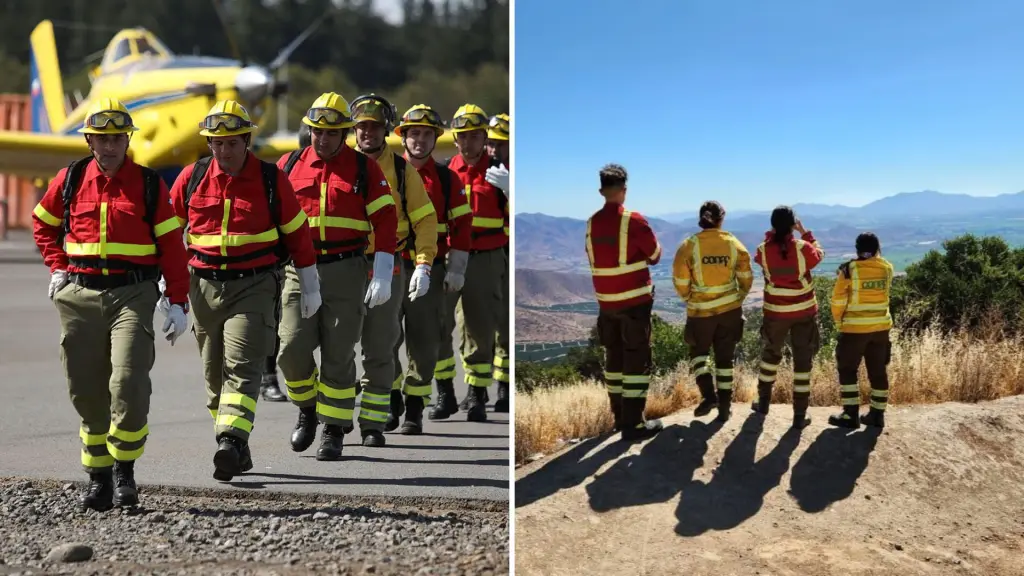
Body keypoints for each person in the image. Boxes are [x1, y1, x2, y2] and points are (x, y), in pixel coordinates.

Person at [32, 98, 191, 511]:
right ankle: (98, 476)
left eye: (117, 138)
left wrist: (178, 301)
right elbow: (43, 223)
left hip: (132, 295)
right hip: (79, 295)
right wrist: (57, 266)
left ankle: (125, 472)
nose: (109, 146)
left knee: (128, 381)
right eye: (101, 138)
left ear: (127, 140)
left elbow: (172, 246)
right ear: (89, 141)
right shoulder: (70, 179)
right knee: (85, 389)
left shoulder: (149, 184)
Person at [169, 99, 320, 481]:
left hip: (254, 286)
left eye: (232, 143)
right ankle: (236, 444)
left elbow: (298, 233)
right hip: (203, 288)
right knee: (213, 377)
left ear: (247, 141)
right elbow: (168, 235)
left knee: (242, 365)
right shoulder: (191, 177)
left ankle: (231, 440)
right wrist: (168, 289)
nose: (224, 151)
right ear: (208, 144)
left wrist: (309, 284)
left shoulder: (271, 179)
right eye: (217, 143)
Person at [276, 92, 399, 458]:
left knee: (339, 351)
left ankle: (333, 429)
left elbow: (386, 219)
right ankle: (307, 409)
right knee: (291, 347)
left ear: (344, 133)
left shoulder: (364, 168)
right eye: (318, 131)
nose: (324, 139)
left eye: (332, 133)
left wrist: (383, 273)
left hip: (347, 269)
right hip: (299, 269)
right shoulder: (288, 165)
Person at [349, 93, 438, 438]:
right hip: (343, 265)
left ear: (386, 129)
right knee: (340, 344)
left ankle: (381, 417)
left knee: (382, 342)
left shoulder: (402, 171)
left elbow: (425, 219)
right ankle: (336, 416)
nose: (367, 132)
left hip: (389, 263)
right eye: (362, 126)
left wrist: (424, 264)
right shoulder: (340, 164)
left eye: (374, 126)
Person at [389, 104, 473, 433]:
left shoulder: (447, 178)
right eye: (414, 133)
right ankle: (391, 399)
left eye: (426, 134)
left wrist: (457, 269)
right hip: (390, 265)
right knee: (385, 337)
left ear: (436, 139)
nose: (420, 140)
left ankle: (414, 408)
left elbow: (462, 226)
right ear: (403, 137)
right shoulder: (387, 173)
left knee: (425, 341)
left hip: (430, 267)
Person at [585, 163, 663, 441]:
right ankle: (634, 424)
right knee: (636, 361)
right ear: (624, 190)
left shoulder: (592, 222)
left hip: (606, 304)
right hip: (634, 303)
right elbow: (655, 255)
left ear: (601, 191)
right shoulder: (634, 220)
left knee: (614, 359)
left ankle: (619, 418)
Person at [443, 103, 509, 422]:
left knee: (480, 328)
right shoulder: (445, 173)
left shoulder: (498, 173)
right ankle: (445, 391)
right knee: (443, 324)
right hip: (449, 256)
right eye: (463, 136)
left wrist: (511, 190)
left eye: (475, 136)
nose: (468, 143)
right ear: (455, 138)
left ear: (484, 138)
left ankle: (476, 393)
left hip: (485, 257)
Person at [672, 201, 753, 423]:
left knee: (699, 355)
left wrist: (689, 298)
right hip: (730, 312)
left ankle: (709, 396)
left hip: (700, 314)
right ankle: (725, 409)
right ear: (721, 219)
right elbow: (746, 278)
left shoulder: (688, 246)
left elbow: (680, 280)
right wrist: (738, 298)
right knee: (725, 360)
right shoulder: (733, 243)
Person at [752, 206, 825, 429]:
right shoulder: (803, 248)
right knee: (803, 361)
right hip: (804, 312)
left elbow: (761, 256)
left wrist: (772, 235)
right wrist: (805, 232)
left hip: (775, 313)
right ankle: (799, 415)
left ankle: (763, 402)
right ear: (793, 224)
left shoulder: (763, 250)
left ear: (773, 225)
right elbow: (819, 255)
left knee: (770, 356)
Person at [828, 232, 894, 429]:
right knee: (878, 371)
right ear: (877, 248)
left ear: (857, 249)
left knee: (848, 370)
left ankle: (850, 415)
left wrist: (839, 323)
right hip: (881, 328)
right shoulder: (887, 268)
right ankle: (877, 415)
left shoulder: (849, 270)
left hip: (854, 329)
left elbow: (838, 300)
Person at [483, 112, 511, 413]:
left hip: (505, 255)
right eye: (490, 143)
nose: (493, 149)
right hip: (488, 254)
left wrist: (510, 189)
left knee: (504, 324)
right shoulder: (486, 170)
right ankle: (478, 389)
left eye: (499, 144)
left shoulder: (512, 175)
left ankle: (504, 387)